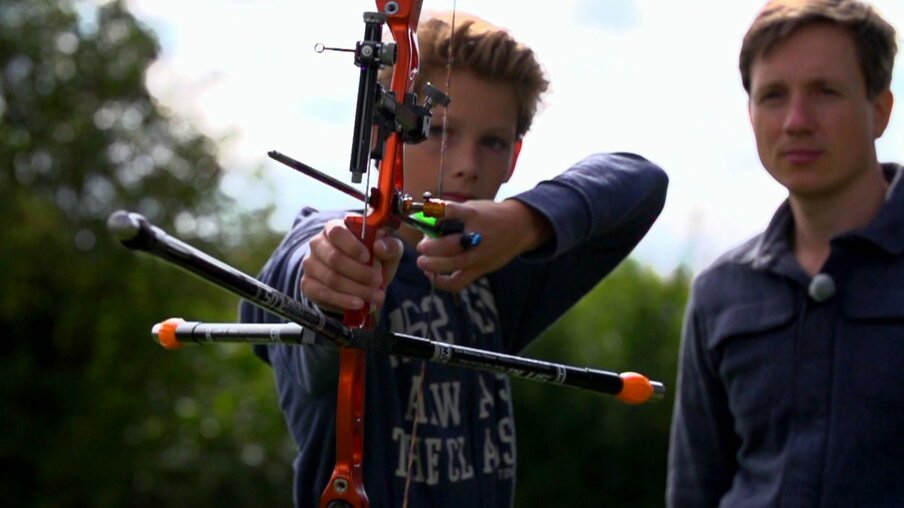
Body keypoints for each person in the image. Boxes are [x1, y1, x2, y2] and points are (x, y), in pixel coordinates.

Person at [242, 11, 668, 508]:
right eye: (439, 129)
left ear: (515, 158)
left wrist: (524, 221)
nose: (465, 166)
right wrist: (329, 285)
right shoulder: (335, 240)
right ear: (383, 134)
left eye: (492, 142)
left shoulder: (494, 269)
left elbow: (642, 182)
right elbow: (302, 276)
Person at [667, 1, 901, 506]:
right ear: (751, 115)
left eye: (825, 92)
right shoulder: (719, 293)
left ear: (880, 110)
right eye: (773, 95)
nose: (796, 121)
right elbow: (694, 491)